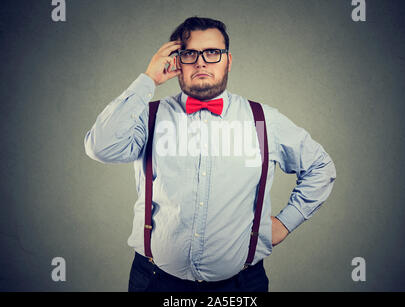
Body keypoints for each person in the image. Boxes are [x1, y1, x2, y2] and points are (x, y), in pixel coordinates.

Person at [84, 16, 336, 292]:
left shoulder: (262, 121)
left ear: (228, 61)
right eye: (190, 53)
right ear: (177, 61)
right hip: (154, 281)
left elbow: (320, 167)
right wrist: (147, 80)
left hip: (241, 286)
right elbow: (100, 146)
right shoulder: (150, 118)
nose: (201, 62)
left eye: (212, 52)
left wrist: (286, 222)